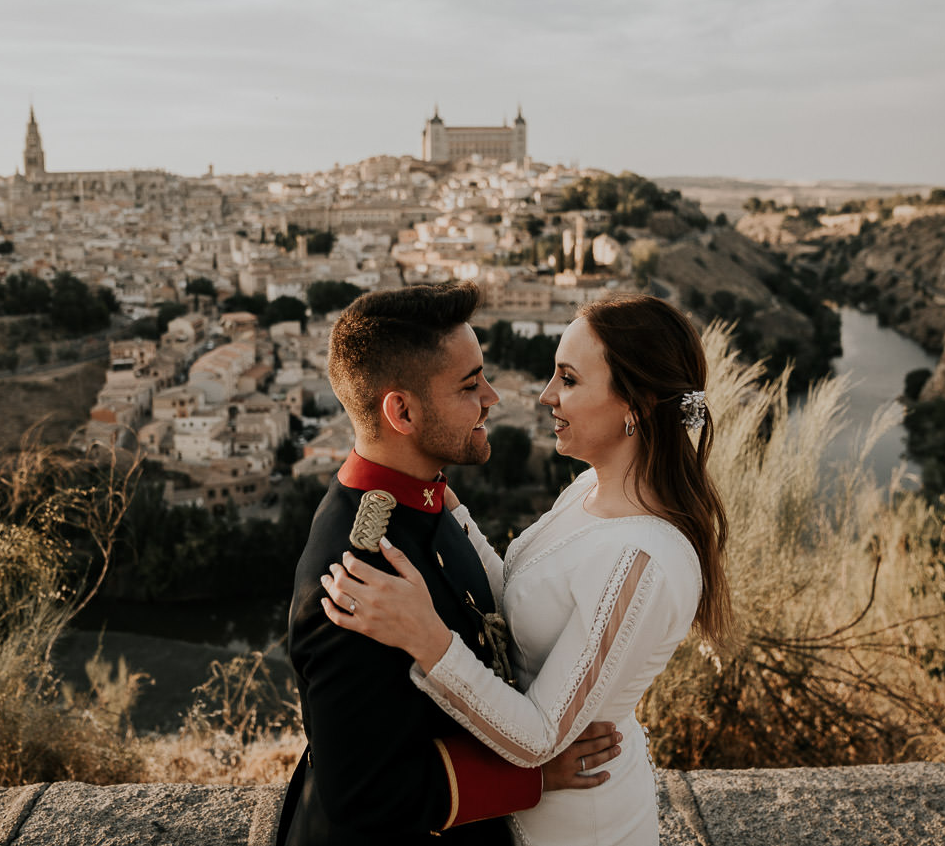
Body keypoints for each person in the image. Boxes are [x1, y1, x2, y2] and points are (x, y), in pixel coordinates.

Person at [320, 294, 732, 846]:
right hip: (529, 811)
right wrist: (445, 504)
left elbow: (540, 737)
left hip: (576, 826)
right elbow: (519, 589)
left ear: (635, 403)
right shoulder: (592, 487)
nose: (546, 396)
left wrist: (428, 639)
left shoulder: (641, 562)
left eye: (568, 378)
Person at [277, 281, 622, 846]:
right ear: (403, 411)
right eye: (470, 385)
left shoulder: (423, 502)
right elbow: (362, 796)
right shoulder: (358, 578)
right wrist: (530, 775)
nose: (493, 396)